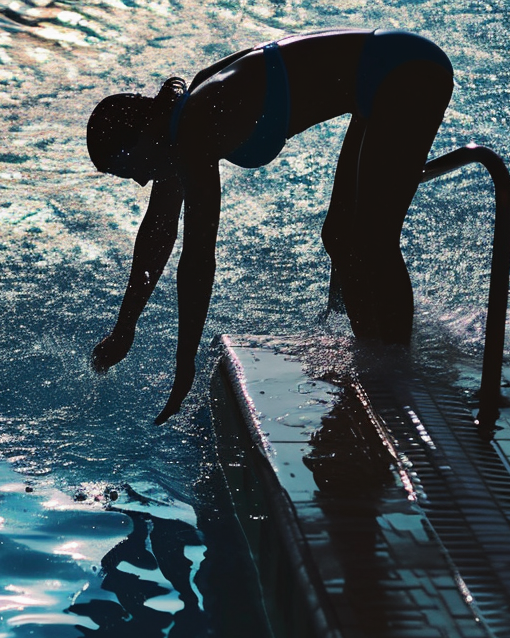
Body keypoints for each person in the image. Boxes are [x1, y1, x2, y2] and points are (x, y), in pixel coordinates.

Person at [86, 29, 453, 424]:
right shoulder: (178, 128)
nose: (139, 180)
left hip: (407, 71)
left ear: (143, 132)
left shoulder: (196, 124)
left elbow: (197, 260)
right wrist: (125, 329)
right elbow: (158, 232)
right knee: (341, 237)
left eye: (127, 168)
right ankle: (374, 358)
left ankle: (397, 376)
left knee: (371, 239)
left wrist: (185, 362)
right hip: (380, 79)